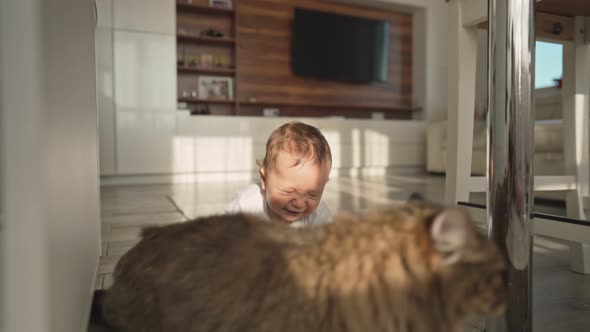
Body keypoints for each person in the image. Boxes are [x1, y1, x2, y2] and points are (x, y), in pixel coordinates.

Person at [224, 121, 332, 227]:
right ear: (264, 178)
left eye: (312, 194)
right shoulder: (245, 206)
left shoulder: (319, 215)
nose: (299, 204)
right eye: (288, 191)